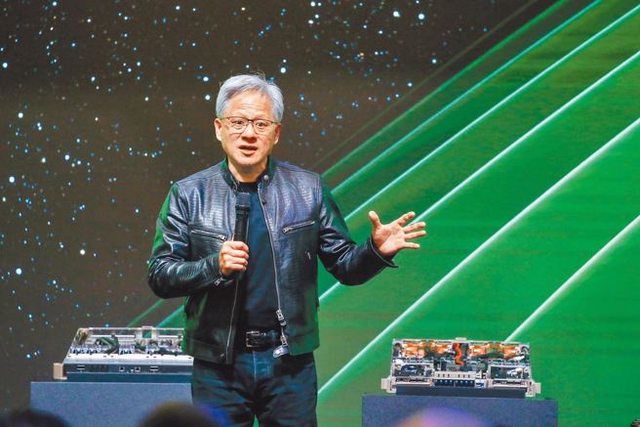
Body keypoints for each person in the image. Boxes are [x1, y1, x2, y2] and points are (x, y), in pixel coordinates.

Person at [147, 73, 426, 427]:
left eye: (260, 124)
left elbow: (345, 266)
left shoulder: (308, 189)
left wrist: (376, 251)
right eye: (238, 122)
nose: (249, 134)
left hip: (288, 363)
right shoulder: (188, 194)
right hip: (218, 364)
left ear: (276, 133)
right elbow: (160, 275)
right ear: (219, 128)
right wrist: (213, 266)